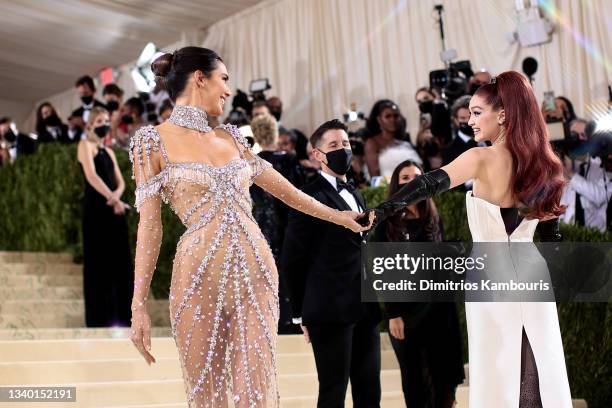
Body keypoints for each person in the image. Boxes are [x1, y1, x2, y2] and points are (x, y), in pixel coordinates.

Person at [128, 47, 372, 407]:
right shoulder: (151, 142)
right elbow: (150, 228)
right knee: (207, 394)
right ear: (200, 78)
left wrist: (339, 216)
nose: (228, 90)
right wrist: (138, 304)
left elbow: (287, 192)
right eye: (223, 79)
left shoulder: (231, 138)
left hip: (255, 273)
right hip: (197, 278)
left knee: (255, 392)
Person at [366, 71, 572, 407]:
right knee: (536, 358)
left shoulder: (480, 158)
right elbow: (552, 239)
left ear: (502, 114)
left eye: (477, 113)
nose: (471, 121)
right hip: (532, 272)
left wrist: (382, 209)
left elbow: (428, 184)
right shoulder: (544, 163)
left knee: (499, 367)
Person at [282, 119, 382, 408]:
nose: (343, 149)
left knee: (370, 392)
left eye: (346, 143)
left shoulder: (358, 194)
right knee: (333, 391)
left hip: (365, 306)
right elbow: (292, 259)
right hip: (328, 309)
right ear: (317, 154)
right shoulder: (306, 198)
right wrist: (302, 314)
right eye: (334, 145)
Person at [371, 160, 465, 408]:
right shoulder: (385, 221)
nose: (412, 181)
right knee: (415, 381)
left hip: (439, 310)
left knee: (443, 379)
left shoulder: (433, 217)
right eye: (405, 178)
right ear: (396, 184)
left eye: (417, 176)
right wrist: (393, 314)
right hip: (407, 313)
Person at [76, 107, 133, 327]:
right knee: (97, 262)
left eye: (107, 120)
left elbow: (121, 181)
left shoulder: (109, 151)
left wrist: (117, 197)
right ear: (90, 124)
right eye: (100, 120)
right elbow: (91, 175)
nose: (104, 123)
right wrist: (112, 198)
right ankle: (99, 318)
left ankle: (122, 317)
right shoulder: (85, 146)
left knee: (119, 261)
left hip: (114, 209)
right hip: (96, 210)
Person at [248, 113, 300, 333]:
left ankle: (268, 320)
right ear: (276, 133)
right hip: (288, 221)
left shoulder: (250, 163)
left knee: (265, 271)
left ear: (256, 135)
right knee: (288, 267)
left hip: (261, 223)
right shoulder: (288, 160)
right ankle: (290, 318)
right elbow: (297, 194)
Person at [364, 100, 422, 178]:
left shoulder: (406, 144)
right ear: (379, 120)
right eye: (388, 116)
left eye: (396, 116)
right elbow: (375, 177)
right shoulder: (372, 143)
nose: (393, 119)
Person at [69, 75, 106, 141]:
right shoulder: (75, 113)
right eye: (80, 94)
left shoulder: (103, 109)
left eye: (86, 93)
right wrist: (71, 129)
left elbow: (104, 132)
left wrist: (83, 125)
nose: (83, 96)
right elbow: (72, 137)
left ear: (93, 91)